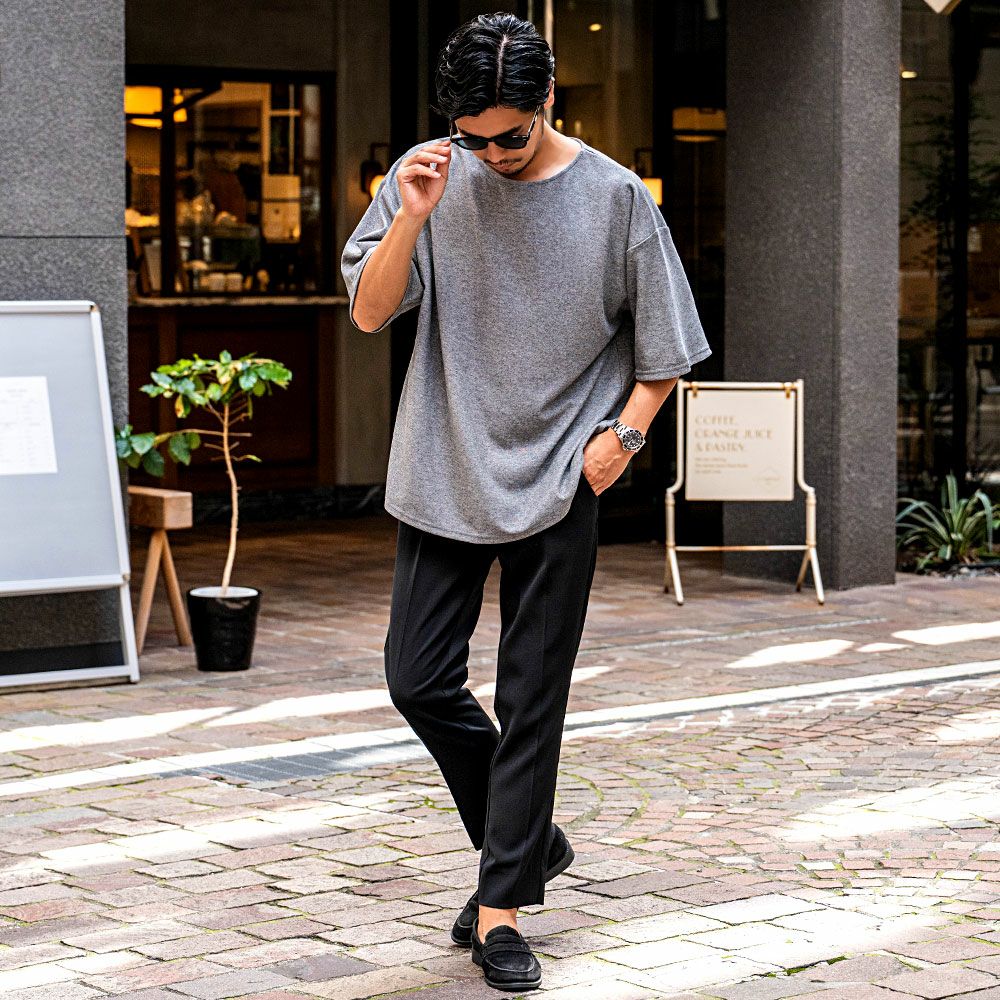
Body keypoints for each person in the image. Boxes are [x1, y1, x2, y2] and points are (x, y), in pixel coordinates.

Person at [341, 12, 710, 992]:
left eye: (511, 134)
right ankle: (532, 838)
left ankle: (501, 909)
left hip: (562, 478)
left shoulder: (615, 197)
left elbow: (666, 350)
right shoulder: (425, 177)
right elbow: (371, 312)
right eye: (474, 138)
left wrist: (624, 438)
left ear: (548, 99)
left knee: (530, 697)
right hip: (445, 463)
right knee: (417, 678)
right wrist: (414, 214)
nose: (494, 155)